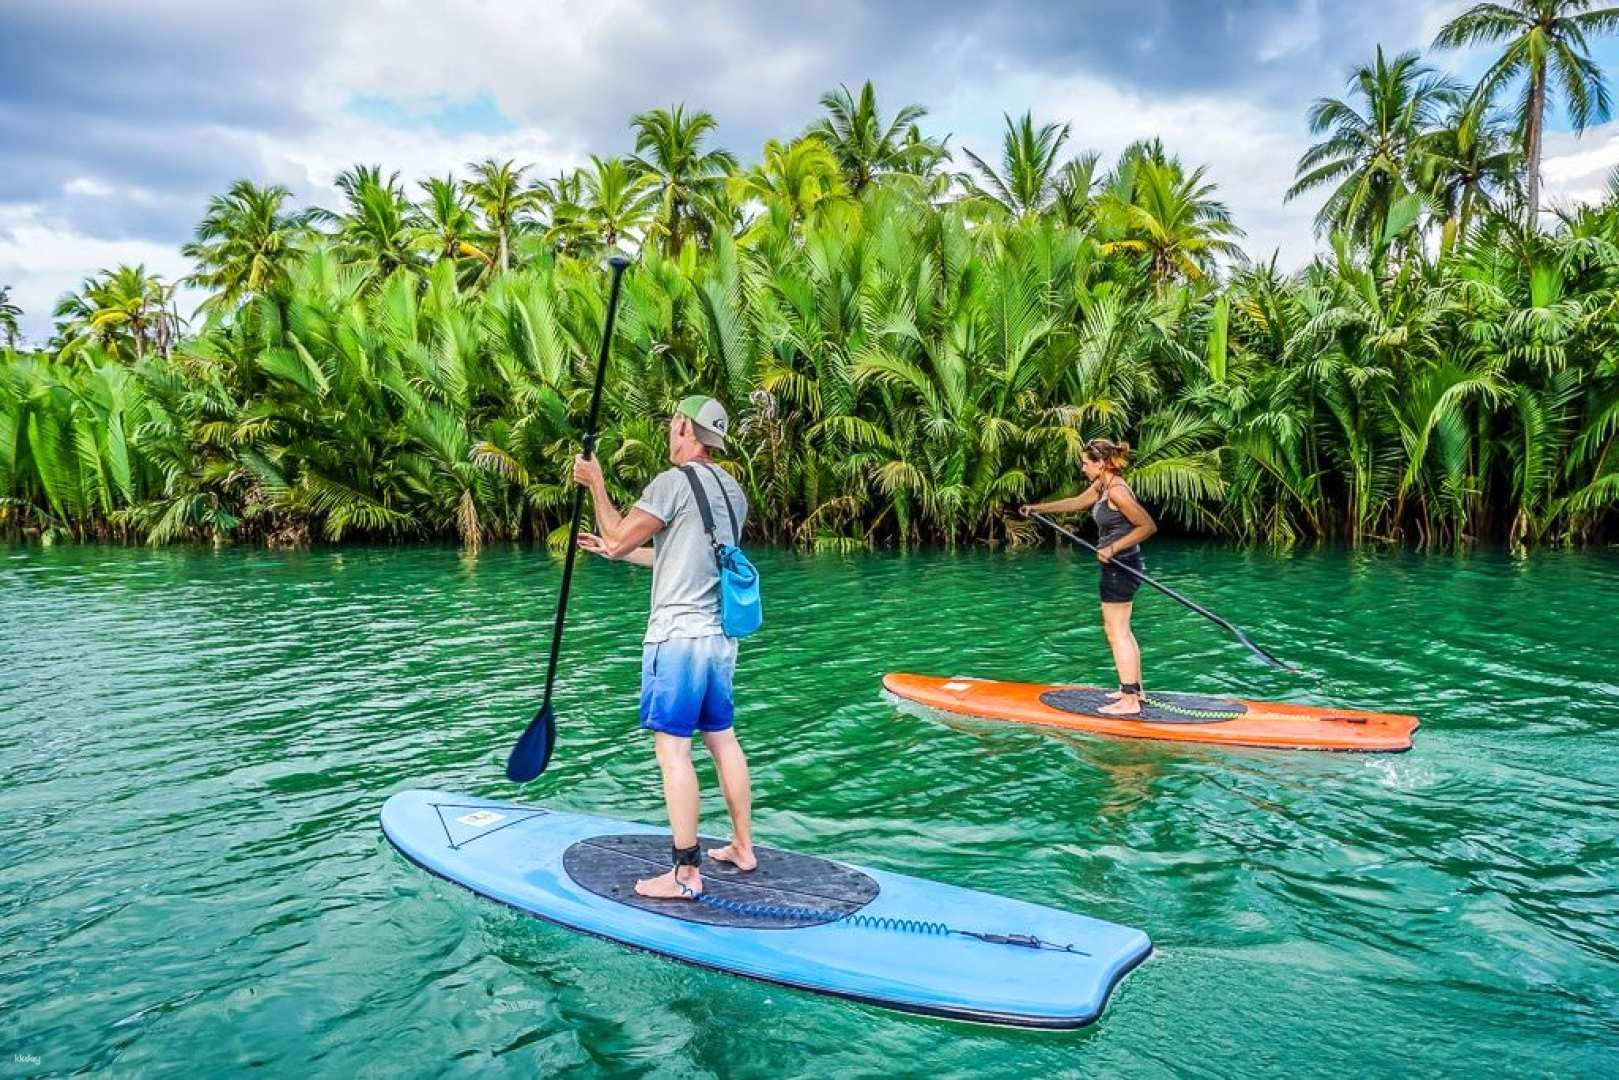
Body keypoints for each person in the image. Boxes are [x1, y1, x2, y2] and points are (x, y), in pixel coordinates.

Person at [572, 394, 755, 899]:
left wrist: (597, 484)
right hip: (719, 639)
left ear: (686, 430)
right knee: (723, 739)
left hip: (677, 639)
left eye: (674, 423)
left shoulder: (671, 484)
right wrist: (618, 554)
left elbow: (617, 529)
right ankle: (743, 847)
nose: (670, 430)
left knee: (673, 752)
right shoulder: (732, 491)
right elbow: (679, 557)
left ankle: (685, 874)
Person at [1021, 438, 1157, 716]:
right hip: (1119, 564)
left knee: (1115, 631)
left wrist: (1112, 548)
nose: (1083, 468)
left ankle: (1129, 701)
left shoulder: (1117, 491)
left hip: (1122, 566)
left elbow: (1147, 526)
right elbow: (1077, 502)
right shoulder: (1102, 485)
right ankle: (1134, 690)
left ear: (1102, 463)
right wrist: (1037, 508)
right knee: (1122, 629)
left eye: (1086, 463)